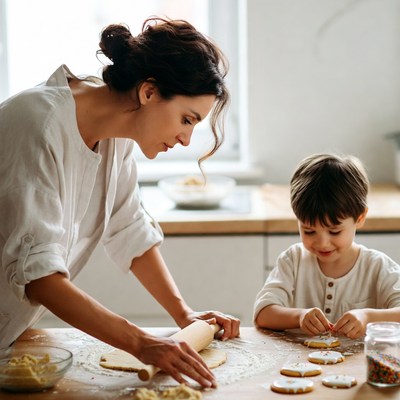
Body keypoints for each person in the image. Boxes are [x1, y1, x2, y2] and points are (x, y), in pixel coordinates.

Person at [0, 17, 240, 388]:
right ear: (149, 92)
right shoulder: (37, 123)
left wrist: (184, 315)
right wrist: (142, 344)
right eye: (187, 119)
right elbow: (39, 279)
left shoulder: (118, 135)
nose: (186, 139)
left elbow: (129, 227)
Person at [253, 153, 400, 339]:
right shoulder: (293, 261)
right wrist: (299, 317)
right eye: (308, 231)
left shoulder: (377, 267)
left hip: (358, 367)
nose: (322, 243)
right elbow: (263, 314)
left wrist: (368, 316)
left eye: (334, 232)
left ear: (360, 218)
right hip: (300, 365)